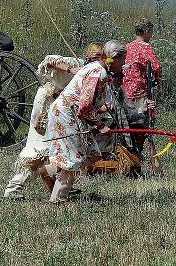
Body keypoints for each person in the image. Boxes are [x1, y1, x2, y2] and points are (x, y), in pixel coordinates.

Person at [3, 45, 100, 200]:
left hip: (64, 110)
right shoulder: (76, 63)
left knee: (63, 149)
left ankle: (60, 185)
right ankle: (14, 189)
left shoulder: (93, 72)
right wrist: (70, 69)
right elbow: (49, 60)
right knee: (37, 148)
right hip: (47, 104)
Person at [44, 41, 126, 203]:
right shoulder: (98, 72)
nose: (124, 64)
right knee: (73, 158)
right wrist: (101, 126)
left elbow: (86, 103)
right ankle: (58, 199)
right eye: (123, 60)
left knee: (89, 154)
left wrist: (102, 110)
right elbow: (84, 106)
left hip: (70, 114)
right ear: (115, 58)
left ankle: (48, 171)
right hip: (67, 115)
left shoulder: (98, 68)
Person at [122, 19, 162, 151]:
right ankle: (136, 151)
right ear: (146, 31)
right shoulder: (145, 47)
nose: (151, 34)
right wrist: (157, 79)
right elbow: (156, 67)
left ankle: (129, 148)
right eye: (151, 31)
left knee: (127, 121)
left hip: (124, 90)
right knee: (142, 123)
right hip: (139, 90)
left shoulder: (127, 46)